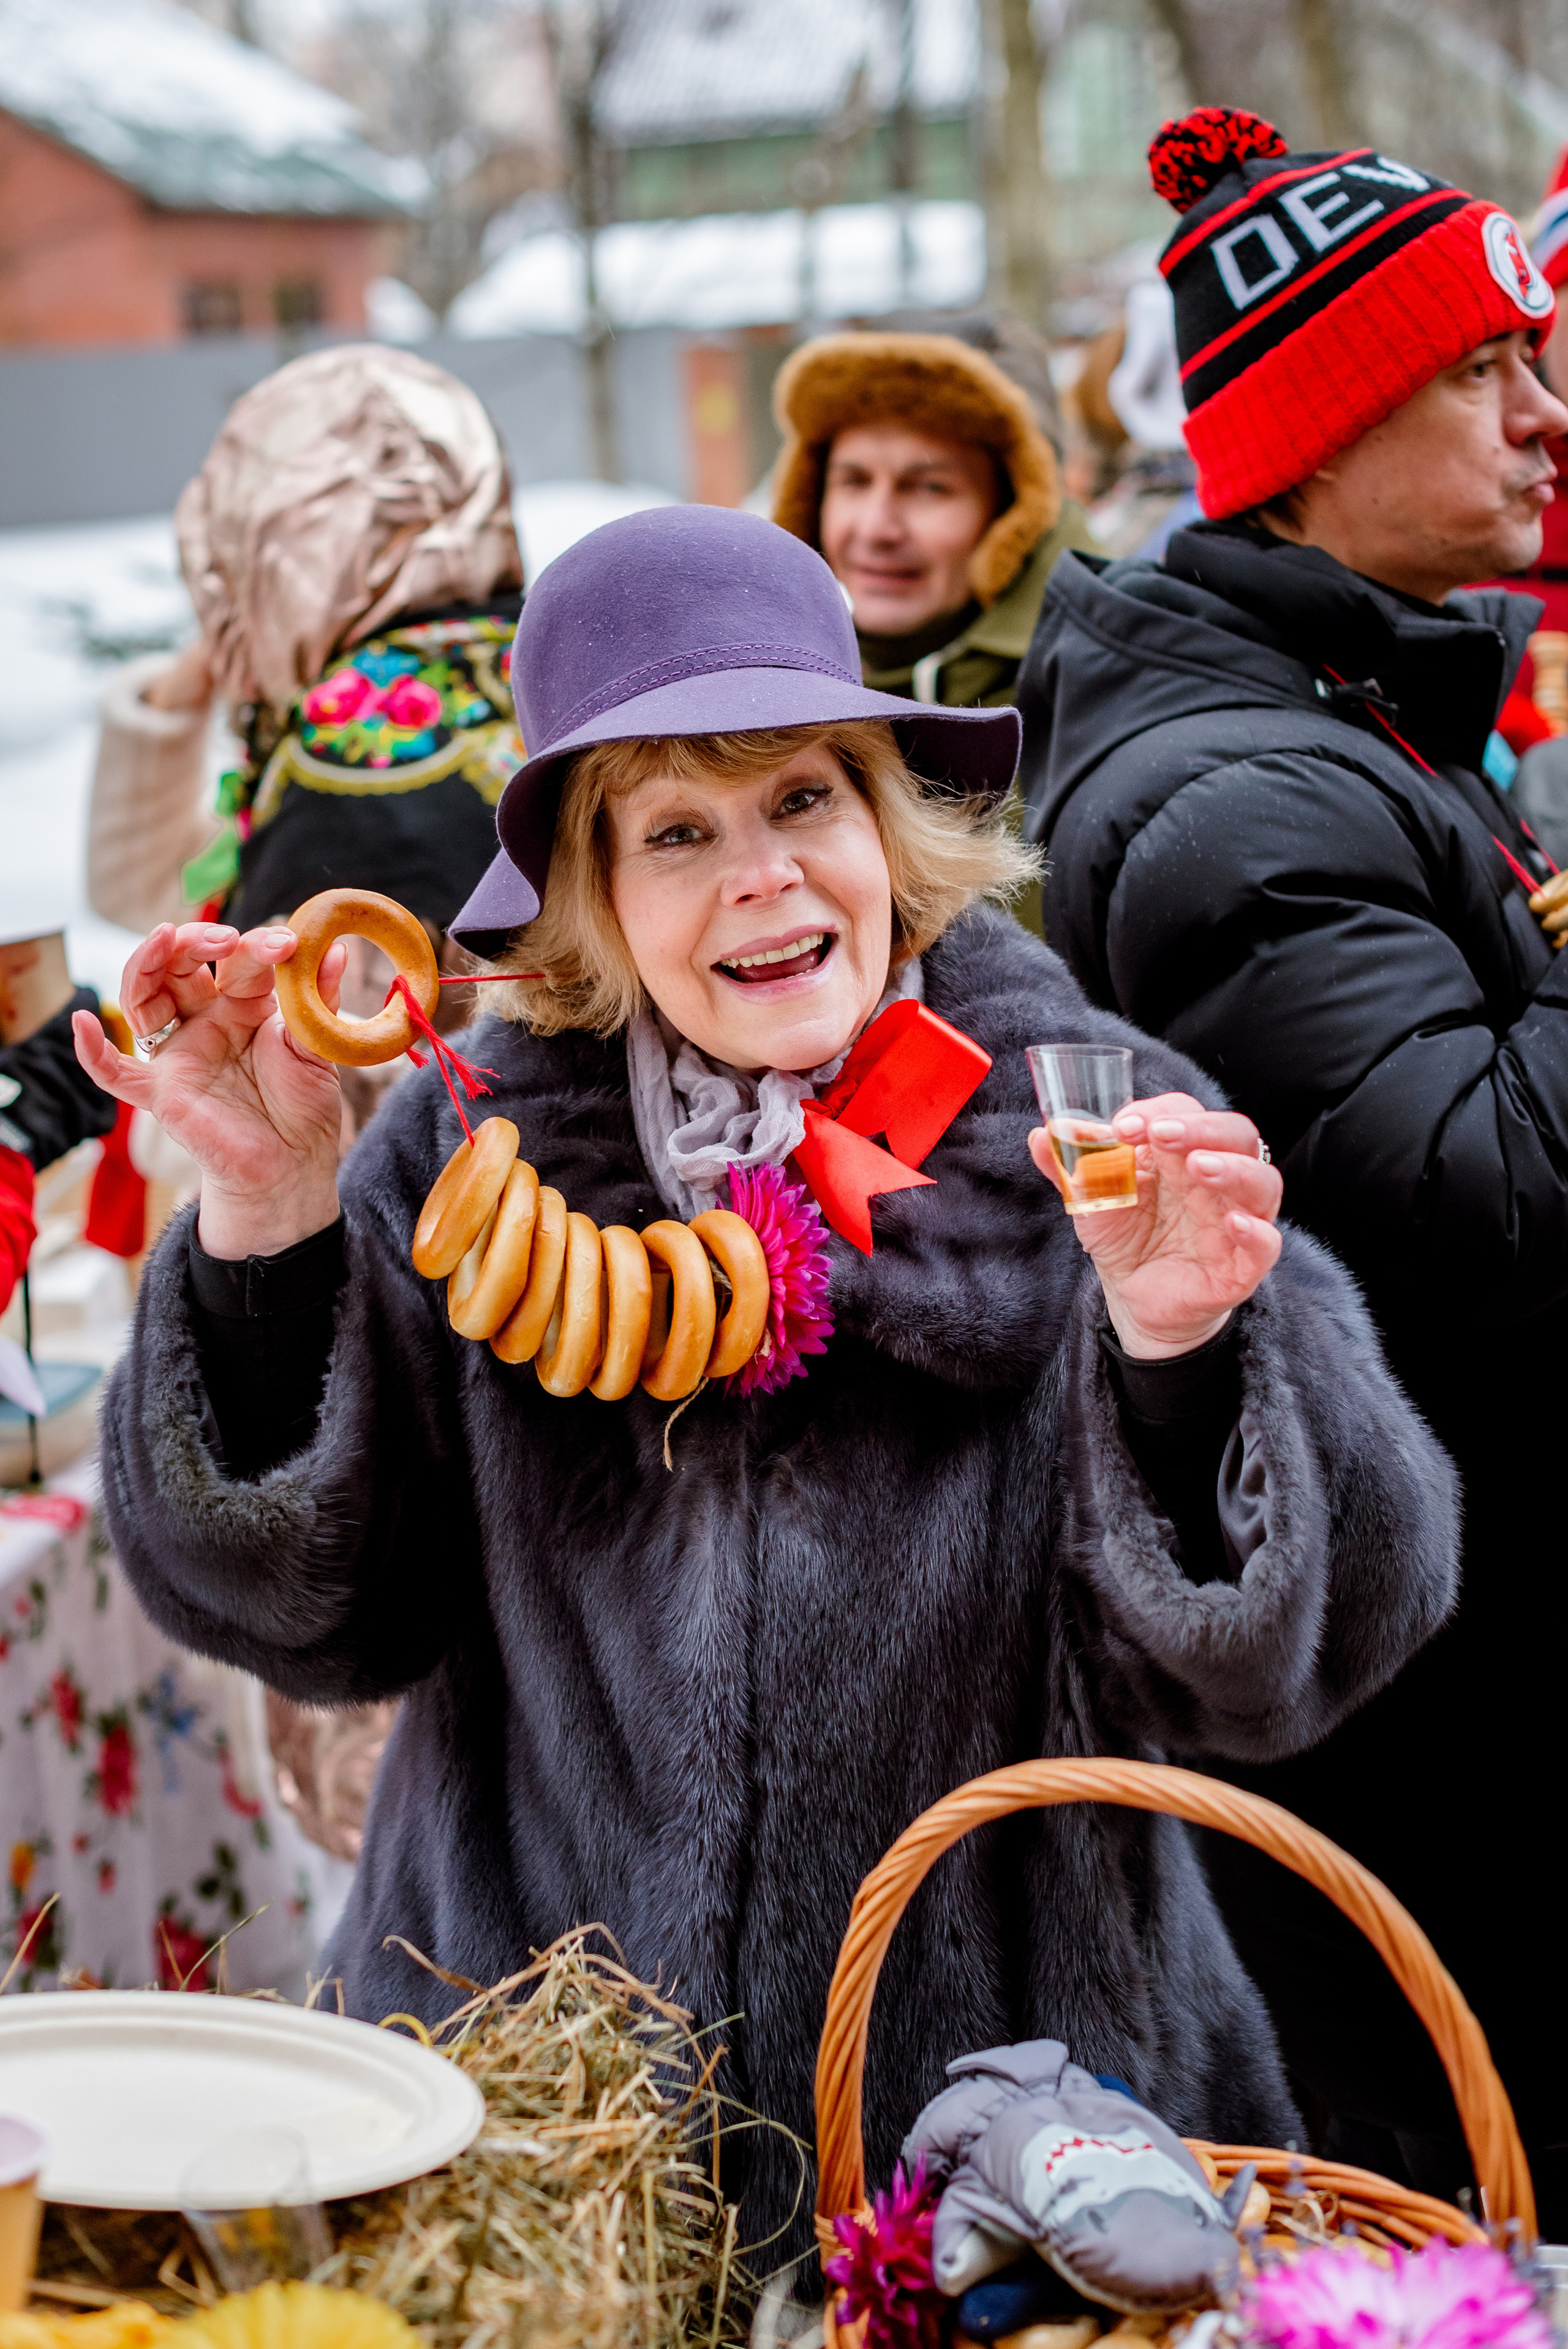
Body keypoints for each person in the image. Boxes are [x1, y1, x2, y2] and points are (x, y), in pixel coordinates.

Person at [74, 505, 1457, 2266]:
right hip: (537, 2164)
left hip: (1028, 2170)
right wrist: (268, 1223)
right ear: (592, 893)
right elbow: (311, 1614)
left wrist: (1182, 1350)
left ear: (886, 819)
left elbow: (1293, 1663)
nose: (766, 874)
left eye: (805, 797)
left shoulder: (1087, 1123)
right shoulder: (467, 1155)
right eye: (678, 829)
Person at [1018, 105, 1568, 2222]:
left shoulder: (1342, 713)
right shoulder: (1245, 792)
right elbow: (1486, 1210)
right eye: (1485, 373)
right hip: (1428, 1716)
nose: (1543, 420)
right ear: (1328, 423)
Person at [86, 342, 526, 1134]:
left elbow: (331, 1134)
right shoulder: (529, 677)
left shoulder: (341, 769)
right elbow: (155, 885)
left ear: (280, 562)